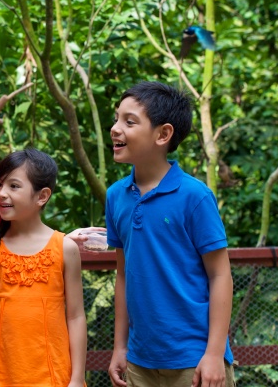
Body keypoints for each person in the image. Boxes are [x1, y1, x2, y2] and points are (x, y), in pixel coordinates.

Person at [106, 82, 235, 387]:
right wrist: (120, 347)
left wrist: (215, 354)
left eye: (129, 121)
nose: (115, 129)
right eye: (116, 118)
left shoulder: (195, 196)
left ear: (163, 135)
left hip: (196, 361)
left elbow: (221, 276)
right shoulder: (116, 196)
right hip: (140, 361)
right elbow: (123, 275)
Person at [0, 148, 88, 387]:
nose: (2, 194)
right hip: (2, 376)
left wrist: (77, 378)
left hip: (55, 376)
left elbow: (76, 316)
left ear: (42, 196)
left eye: (14, 186)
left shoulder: (65, 248)